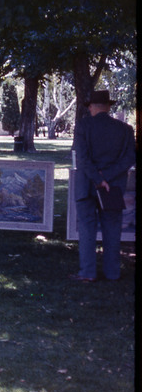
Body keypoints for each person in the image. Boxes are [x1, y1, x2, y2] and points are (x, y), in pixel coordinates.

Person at [71, 90, 136, 282]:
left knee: (87, 230)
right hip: (113, 187)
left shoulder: (82, 126)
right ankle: (112, 272)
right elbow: (129, 159)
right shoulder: (125, 129)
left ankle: (87, 272)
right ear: (108, 107)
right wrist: (107, 177)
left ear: (91, 106)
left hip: (86, 186)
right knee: (112, 229)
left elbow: (82, 159)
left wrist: (98, 178)